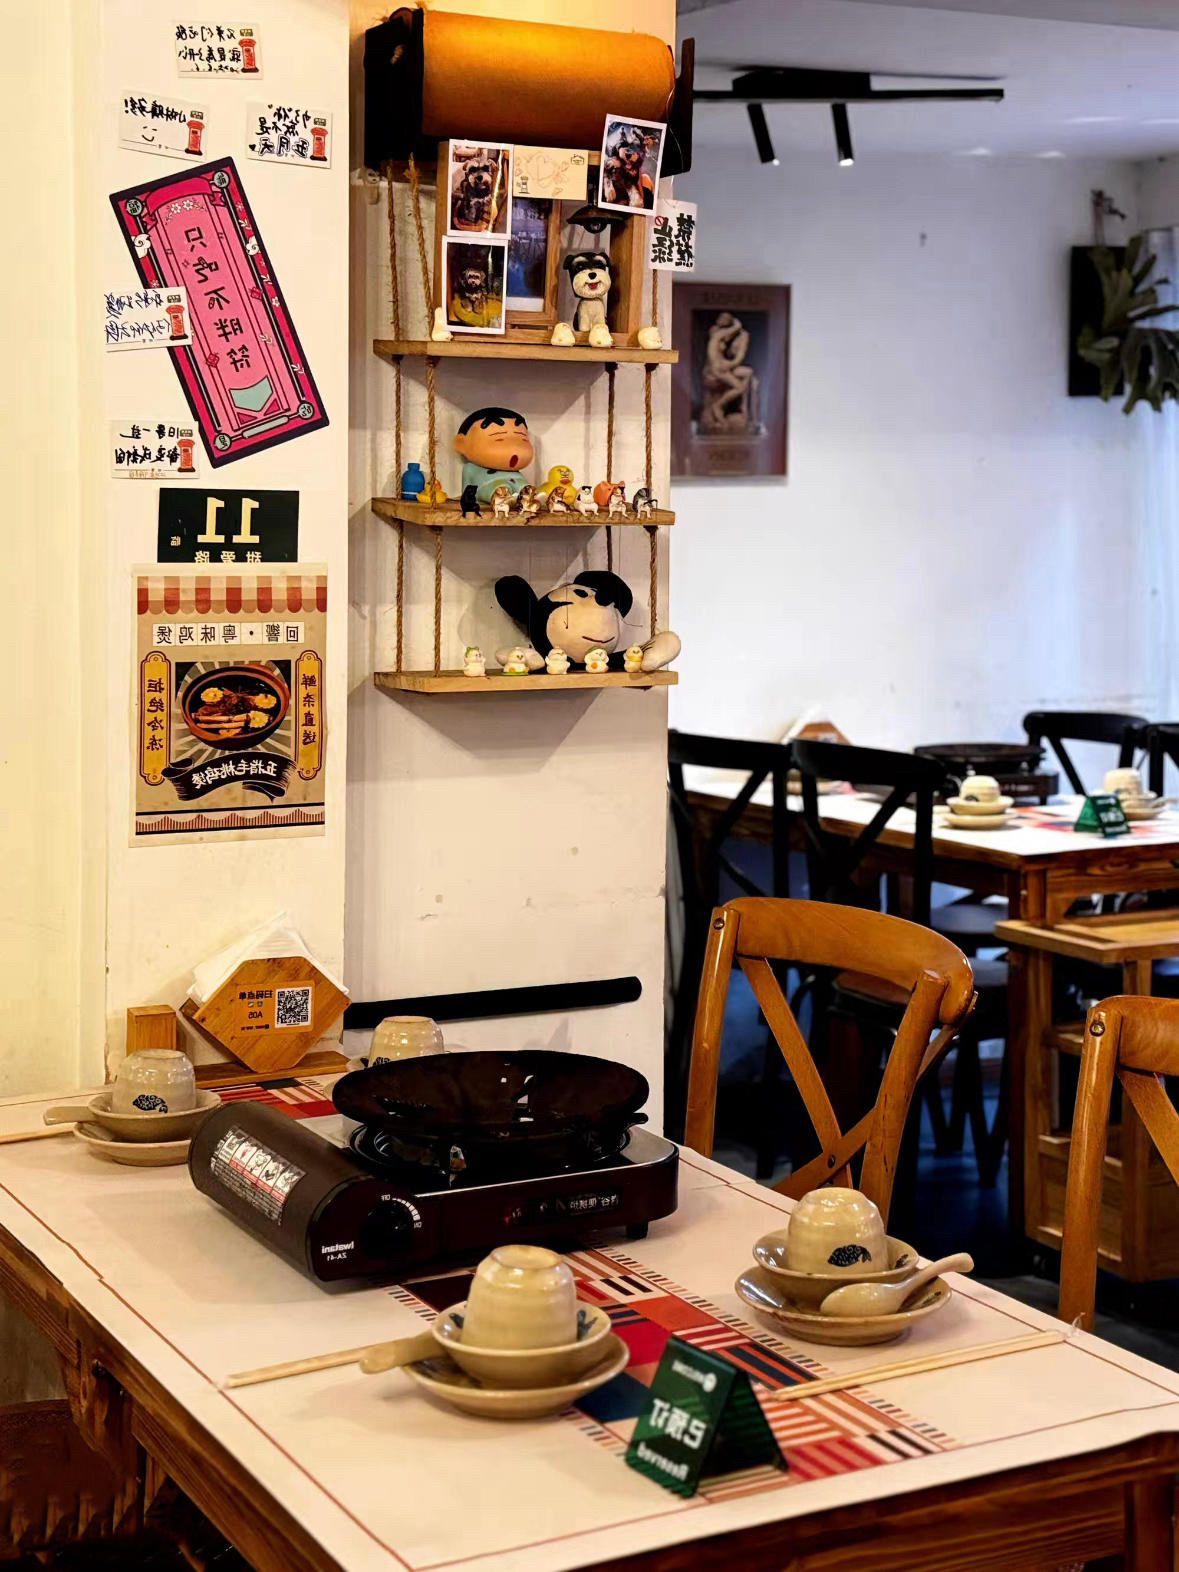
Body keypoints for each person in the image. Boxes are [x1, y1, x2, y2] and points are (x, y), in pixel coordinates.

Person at [453, 407, 534, 504]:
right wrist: (467, 498)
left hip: (515, 483)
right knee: (499, 486)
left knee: (522, 484)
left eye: (523, 439)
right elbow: (466, 488)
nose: (515, 447)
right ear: (462, 444)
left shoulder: (515, 472)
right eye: (499, 439)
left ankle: (528, 496)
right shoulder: (471, 468)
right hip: (486, 487)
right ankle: (501, 498)